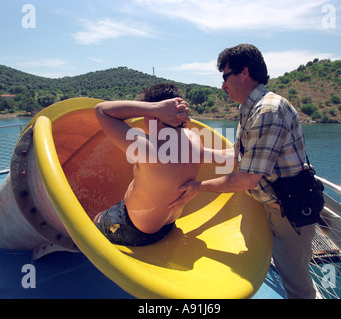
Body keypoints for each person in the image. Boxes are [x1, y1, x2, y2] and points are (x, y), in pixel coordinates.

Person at [169, 44, 317, 299]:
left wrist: (198, 188)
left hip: (289, 214)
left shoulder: (268, 111)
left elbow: (248, 177)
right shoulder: (249, 109)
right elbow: (241, 159)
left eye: (225, 76)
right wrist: (199, 154)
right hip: (268, 207)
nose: (222, 86)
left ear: (244, 73)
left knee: (297, 285)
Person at [94, 84, 202, 246]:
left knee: (95, 220)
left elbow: (102, 110)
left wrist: (154, 108)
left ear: (155, 115)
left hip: (134, 229)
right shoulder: (194, 139)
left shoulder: (150, 151)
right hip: (168, 224)